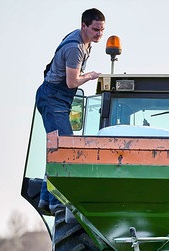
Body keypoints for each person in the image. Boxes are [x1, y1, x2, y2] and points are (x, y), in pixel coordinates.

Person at [36, 8, 105, 215]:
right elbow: (72, 81)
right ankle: (57, 203)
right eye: (95, 30)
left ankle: (45, 199)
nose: (99, 34)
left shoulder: (85, 43)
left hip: (57, 99)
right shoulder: (75, 47)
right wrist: (90, 76)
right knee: (64, 149)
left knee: (57, 149)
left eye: (101, 30)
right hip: (53, 98)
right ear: (83, 25)